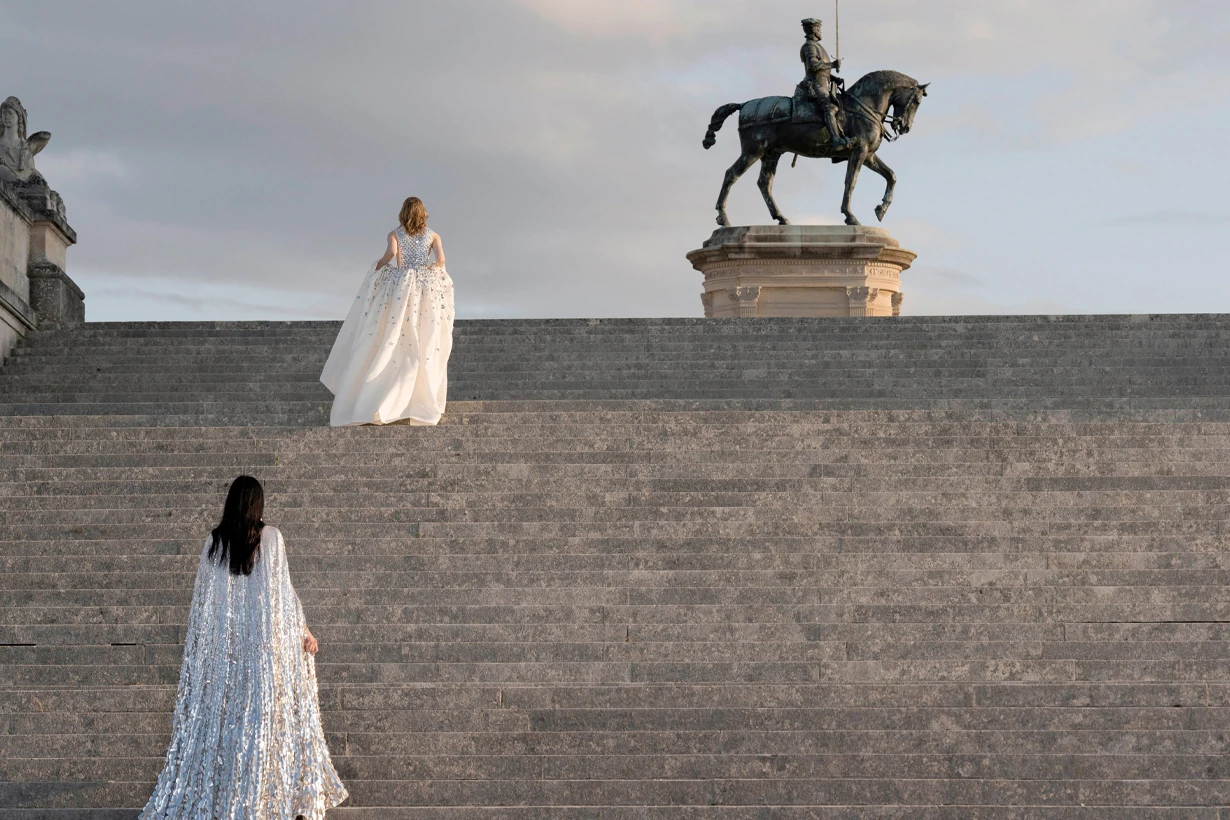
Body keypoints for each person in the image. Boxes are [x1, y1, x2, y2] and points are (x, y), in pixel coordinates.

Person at [139, 476, 348, 820]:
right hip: (265, 656)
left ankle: (229, 800)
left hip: (228, 660)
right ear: (257, 504)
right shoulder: (272, 538)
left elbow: (205, 610)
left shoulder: (214, 543)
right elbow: (283, 597)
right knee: (265, 727)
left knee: (233, 730)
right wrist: (304, 632)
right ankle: (266, 799)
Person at [320, 196, 455, 426]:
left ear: (403, 212)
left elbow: (391, 255)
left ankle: (383, 395)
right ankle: (415, 398)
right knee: (421, 338)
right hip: (424, 291)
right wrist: (427, 272)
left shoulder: (394, 233)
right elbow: (441, 261)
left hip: (401, 288)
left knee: (394, 336)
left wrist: (377, 267)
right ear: (423, 213)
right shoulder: (433, 235)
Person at [796, 18, 849, 147]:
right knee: (830, 108)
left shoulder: (818, 46)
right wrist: (832, 64)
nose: (821, 32)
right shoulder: (809, 46)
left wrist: (833, 78)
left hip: (824, 83)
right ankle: (836, 140)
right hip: (814, 85)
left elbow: (822, 70)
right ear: (814, 30)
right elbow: (813, 66)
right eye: (819, 29)